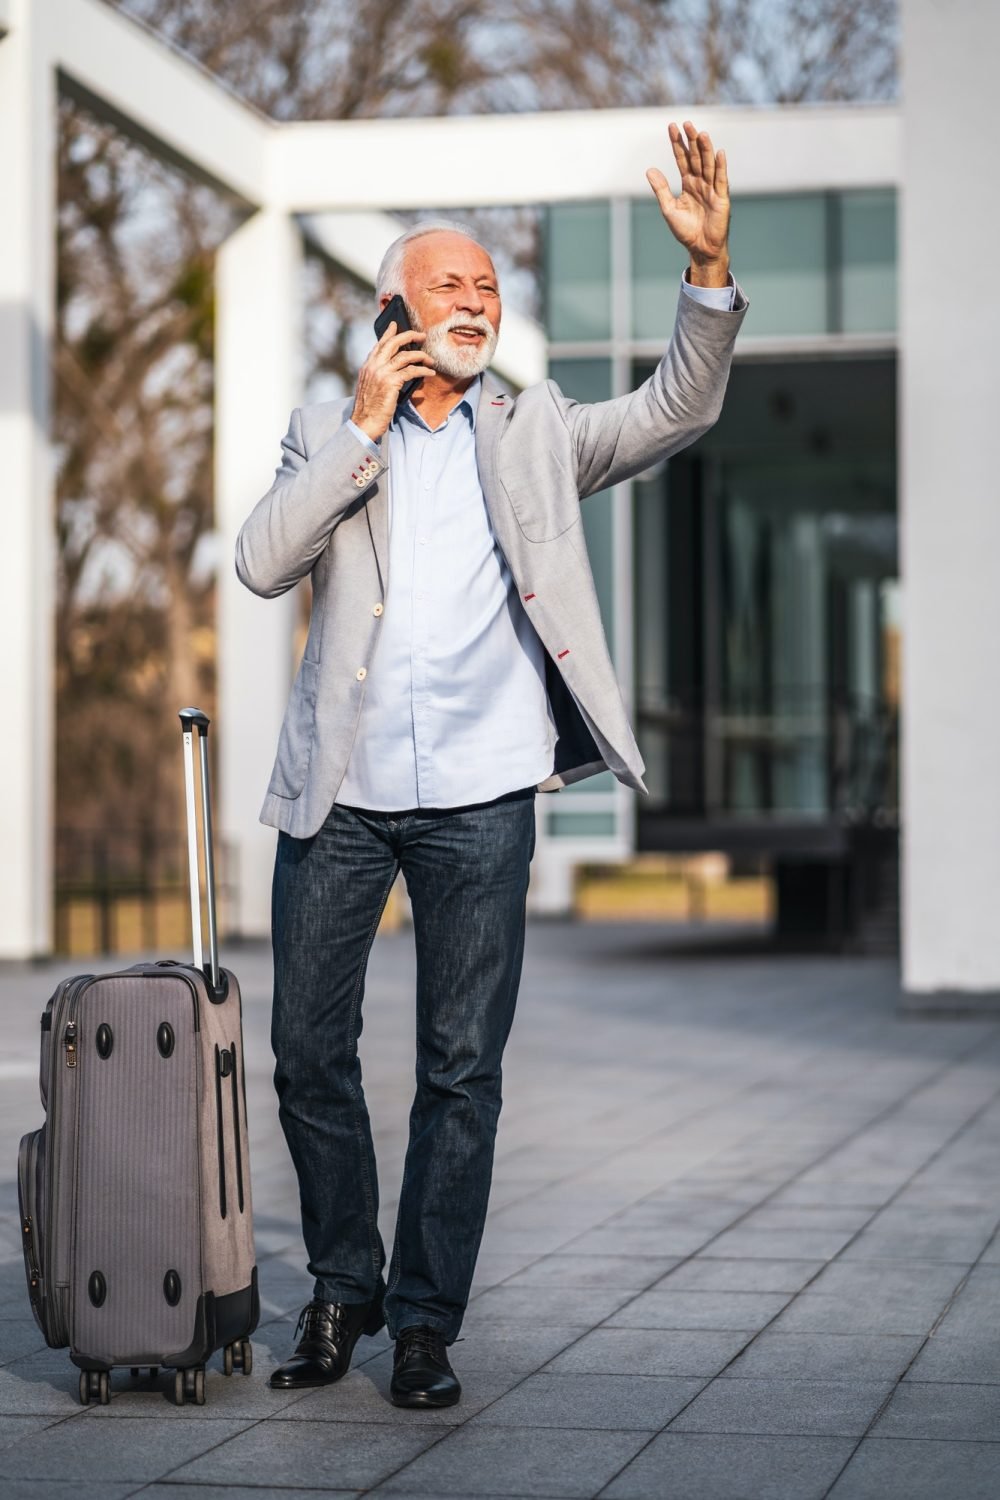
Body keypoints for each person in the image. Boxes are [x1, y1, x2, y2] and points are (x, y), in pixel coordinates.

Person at [235, 121, 746, 1408]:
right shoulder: (323, 428)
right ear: (391, 314)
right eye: (448, 286)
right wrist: (359, 432)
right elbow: (261, 562)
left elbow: (676, 407)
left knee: (461, 1069)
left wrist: (706, 270)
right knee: (306, 1052)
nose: (476, 303)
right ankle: (341, 1288)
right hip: (343, 796)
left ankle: (422, 1323)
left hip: (482, 797)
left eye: (488, 287)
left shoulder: (536, 432)